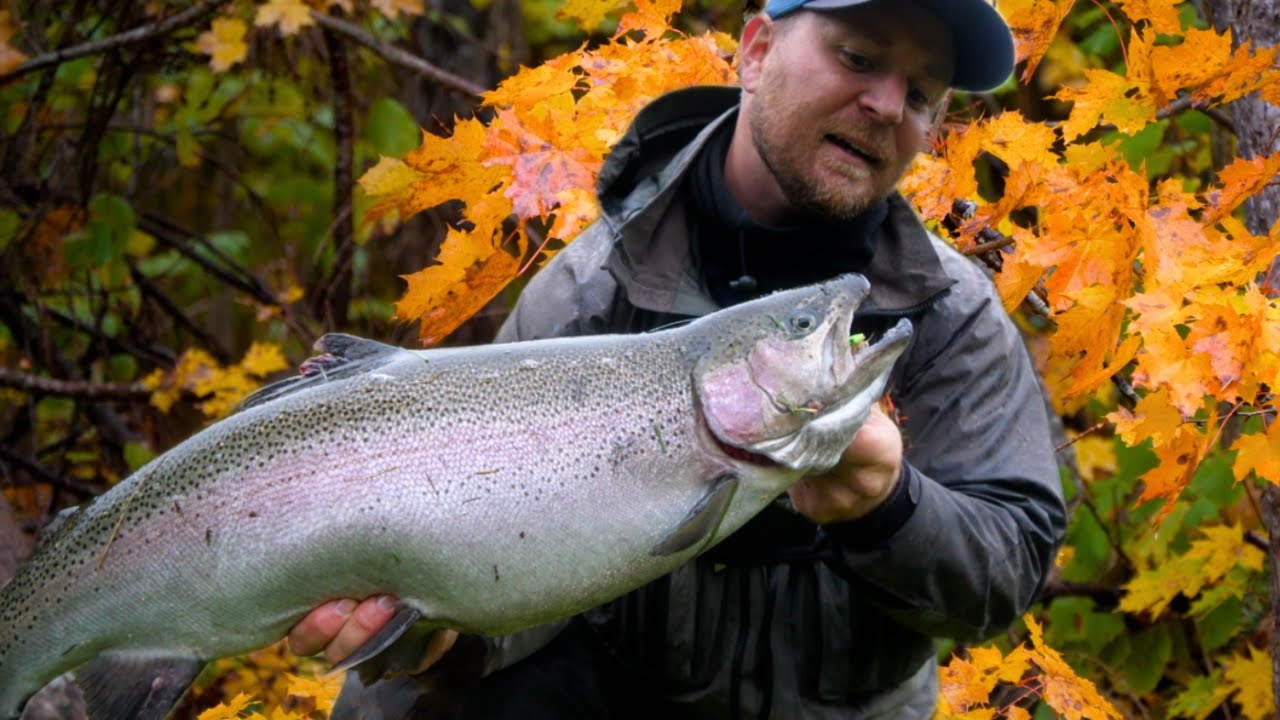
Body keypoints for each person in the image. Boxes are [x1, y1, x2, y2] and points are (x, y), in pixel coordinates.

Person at [289, 0, 1068, 716]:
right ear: (756, 52)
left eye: (922, 93)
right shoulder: (593, 294)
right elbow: (505, 565)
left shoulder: (950, 314)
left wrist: (891, 507)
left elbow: (1004, 577)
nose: (889, 106)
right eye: (859, 58)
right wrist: (440, 641)